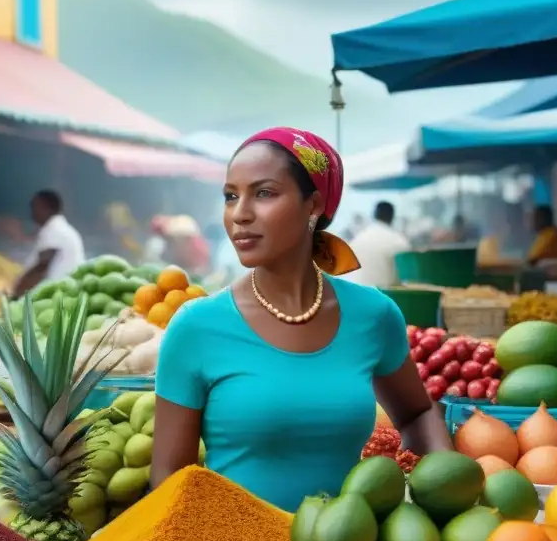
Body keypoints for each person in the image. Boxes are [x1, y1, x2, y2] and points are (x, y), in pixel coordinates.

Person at [151, 127, 453, 512]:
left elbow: (418, 412)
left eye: (263, 193)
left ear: (313, 205)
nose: (239, 214)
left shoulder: (373, 315)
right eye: (231, 196)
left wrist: (444, 476)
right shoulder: (195, 328)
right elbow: (168, 488)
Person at [11, 190, 85, 297]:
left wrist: (16, 295)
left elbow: (41, 267)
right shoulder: (61, 229)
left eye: (34, 207)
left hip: (59, 297)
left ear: (46, 208)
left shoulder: (55, 230)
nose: (32, 212)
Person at [344, 201, 411, 287]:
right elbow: (405, 277)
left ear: (374, 215)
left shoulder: (358, 238)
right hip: (384, 296)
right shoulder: (398, 241)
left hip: (354, 292)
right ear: (392, 217)